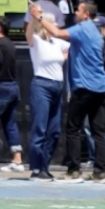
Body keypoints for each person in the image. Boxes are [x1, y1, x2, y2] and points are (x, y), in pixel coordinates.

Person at [29, 0, 105, 183]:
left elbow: (57, 32)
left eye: (78, 10)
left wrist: (39, 17)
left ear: (86, 14)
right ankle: (101, 172)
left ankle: (74, 170)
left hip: (84, 87)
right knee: (98, 131)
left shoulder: (82, 28)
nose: (75, 13)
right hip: (100, 87)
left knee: (73, 128)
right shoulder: (96, 33)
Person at [25, 12, 70, 182]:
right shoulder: (36, 41)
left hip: (57, 87)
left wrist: (64, 58)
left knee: (55, 130)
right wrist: (33, 17)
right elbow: (28, 34)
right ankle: (36, 168)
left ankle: (44, 166)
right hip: (41, 85)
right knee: (40, 129)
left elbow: (70, 47)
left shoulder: (56, 42)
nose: (57, 27)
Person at [0, 16, 25, 173]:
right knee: (10, 124)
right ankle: (17, 160)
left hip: (1, 87)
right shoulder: (10, 44)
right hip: (12, 87)